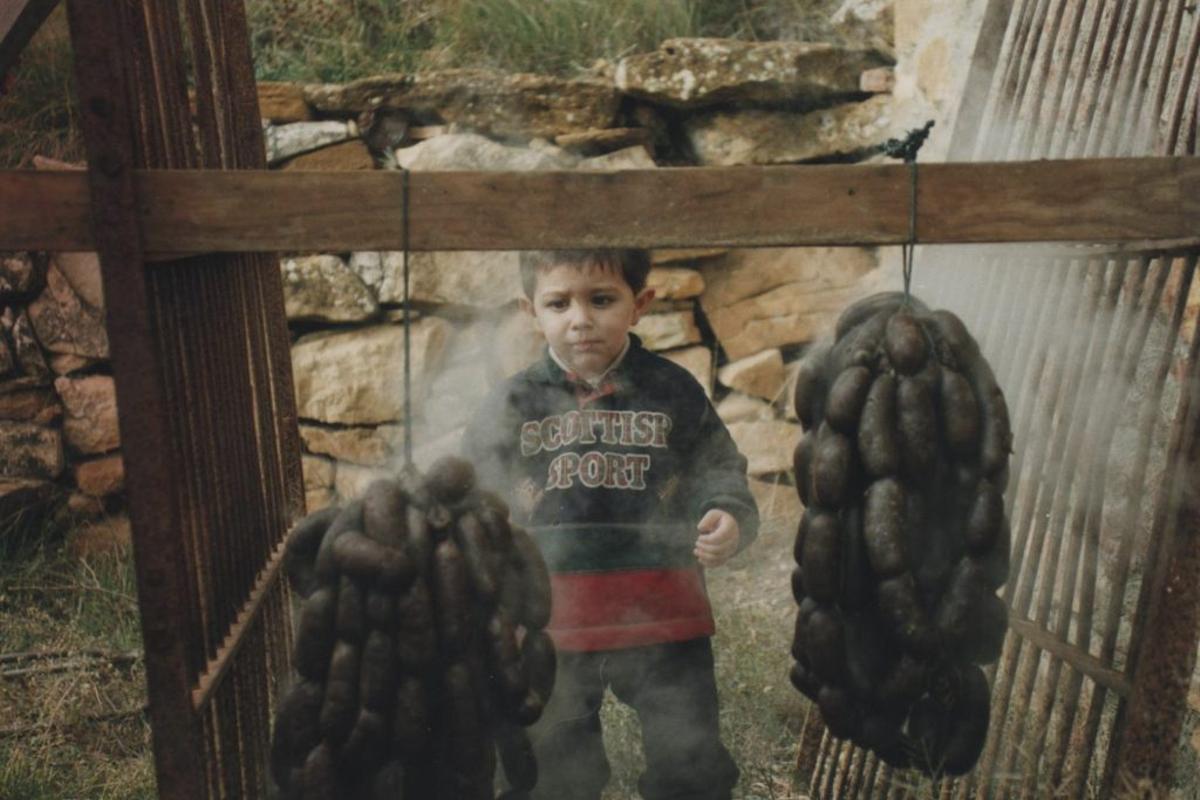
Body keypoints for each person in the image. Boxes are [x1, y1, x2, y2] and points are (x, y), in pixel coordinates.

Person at [462, 249, 759, 800]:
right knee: (553, 768)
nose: (581, 319)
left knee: (689, 759)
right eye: (559, 304)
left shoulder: (672, 390)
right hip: (551, 620)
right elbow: (477, 489)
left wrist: (728, 513)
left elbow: (718, 466)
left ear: (639, 304)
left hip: (664, 611)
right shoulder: (511, 402)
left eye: (601, 300)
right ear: (531, 311)